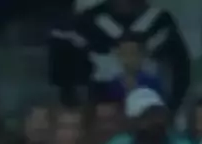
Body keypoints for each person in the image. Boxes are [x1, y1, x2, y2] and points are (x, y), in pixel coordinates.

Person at [49, 0, 190, 109]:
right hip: (102, 107)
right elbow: (66, 64)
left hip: (148, 105)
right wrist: (71, 100)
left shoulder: (160, 21)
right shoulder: (89, 20)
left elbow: (181, 67)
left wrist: (172, 106)